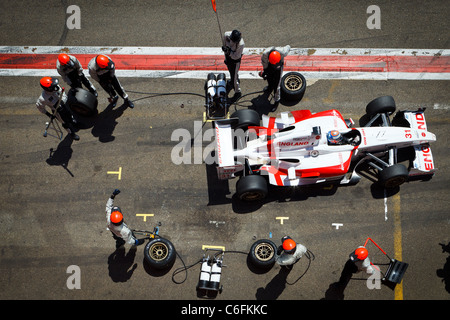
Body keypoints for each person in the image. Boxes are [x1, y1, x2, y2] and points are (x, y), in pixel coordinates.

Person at [36, 76, 79, 140]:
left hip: (64, 105)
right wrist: (48, 114)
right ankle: (71, 133)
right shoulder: (43, 98)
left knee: (70, 114)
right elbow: (40, 107)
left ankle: (72, 121)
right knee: (65, 123)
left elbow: (63, 93)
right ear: (48, 88)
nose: (56, 87)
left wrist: (63, 100)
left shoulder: (56, 87)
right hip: (58, 111)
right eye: (52, 87)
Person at [259, 45, 291, 112]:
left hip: (279, 67)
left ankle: (277, 101)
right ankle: (270, 87)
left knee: (277, 86)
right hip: (269, 65)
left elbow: (288, 47)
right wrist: (265, 72)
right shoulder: (265, 55)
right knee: (269, 78)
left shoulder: (283, 52)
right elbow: (265, 65)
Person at [222, 29, 244, 102]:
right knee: (231, 72)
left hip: (235, 62)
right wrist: (225, 50)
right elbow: (225, 43)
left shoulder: (241, 44)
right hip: (228, 58)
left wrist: (228, 52)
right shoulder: (227, 35)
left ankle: (237, 92)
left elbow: (236, 56)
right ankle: (232, 81)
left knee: (234, 77)